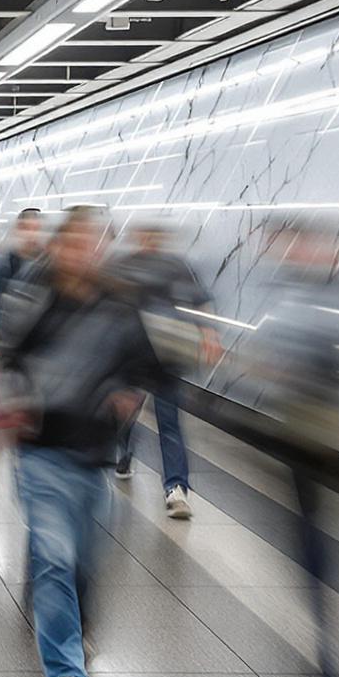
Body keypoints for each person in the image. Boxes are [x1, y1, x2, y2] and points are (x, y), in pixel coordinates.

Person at [0, 206, 170, 677]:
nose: (82, 253)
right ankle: (64, 674)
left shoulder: (119, 304)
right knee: (53, 556)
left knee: (85, 563)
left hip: (93, 458)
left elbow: (148, 366)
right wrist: (10, 406)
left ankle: (78, 625)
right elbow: (6, 355)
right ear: (57, 246)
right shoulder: (34, 297)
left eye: (92, 244)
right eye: (73, 244)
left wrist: (130, 393)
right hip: (40, 452)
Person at [248, 219, 339, 677]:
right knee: (312, 542)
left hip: (334, 435)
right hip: (302, 439)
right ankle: (327, 658)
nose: (291, 255)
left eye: (295, 246)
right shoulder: (286, 301)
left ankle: (329, 650)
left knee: (318, 542)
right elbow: (270, 360)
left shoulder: (335, 298)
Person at [109, 221, 220, 517]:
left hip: (167, 356)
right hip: (131, 355)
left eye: (156, 236)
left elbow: (201, 299)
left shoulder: (176, 265)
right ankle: (124, 452)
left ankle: (176, 488)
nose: (151, 241)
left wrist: (209, 333)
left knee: (169, 422)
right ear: (137, 237)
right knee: (125, 414)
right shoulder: (123, 265)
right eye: (146, 235)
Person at [0, 208, 45, 342]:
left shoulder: (46, 263)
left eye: (36, 229)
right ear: (17, 231)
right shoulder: (3, 265)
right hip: (7, 336)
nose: (31, 235)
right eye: (26, 228)